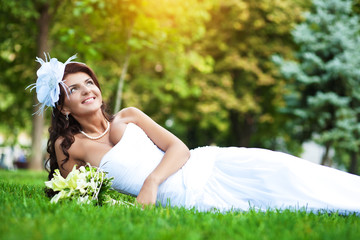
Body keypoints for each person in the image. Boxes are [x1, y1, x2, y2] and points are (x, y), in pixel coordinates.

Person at [30, 54, 360, 214]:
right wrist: (118, 206)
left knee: (288, 171)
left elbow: (180, 149)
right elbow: (72, 193)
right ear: (63, 108)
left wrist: (152, 181)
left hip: (210, 164)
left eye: (90, 82)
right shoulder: (70, 146)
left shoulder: (128, 117)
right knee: (288, 202)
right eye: (74, 88)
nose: (87, 89)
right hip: (189, 197)